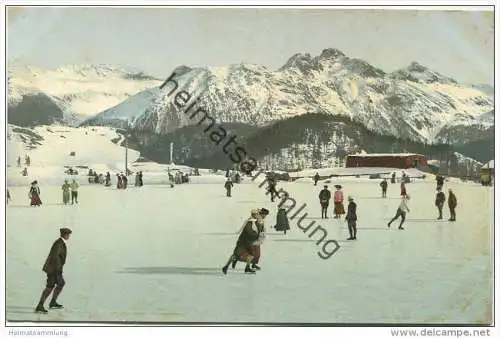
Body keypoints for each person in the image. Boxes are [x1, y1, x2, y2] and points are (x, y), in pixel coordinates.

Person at [35, 228, 72, 313]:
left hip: (55, 268)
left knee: (57, 284)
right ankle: (41, 305)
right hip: (54, 269)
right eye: (68, 234)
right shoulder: (59, 243)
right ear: (64, 234)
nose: (69, 236)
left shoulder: (60, 243)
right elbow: (55, 257)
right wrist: (58, 269)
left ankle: (52, 302)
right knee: (51, 286)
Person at [222, 208, 269, 274]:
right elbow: (249, 232)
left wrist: (260, 235)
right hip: (244, 241)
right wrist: (257, 235)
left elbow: (259, 230)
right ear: (254, 215)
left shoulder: (256, 221)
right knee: (237, 254)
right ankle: (226, 266)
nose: (258, 215)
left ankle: (247, 267)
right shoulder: (250, 222)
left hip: (249, 241)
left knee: (251, 255)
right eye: (256, 214)